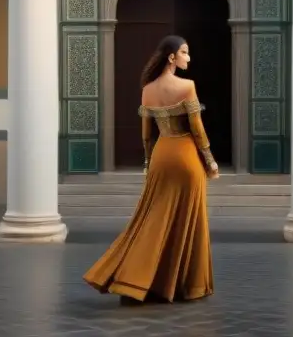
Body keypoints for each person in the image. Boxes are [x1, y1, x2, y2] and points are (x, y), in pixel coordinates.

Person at [84, 35, 218, 304]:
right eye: (184, 52)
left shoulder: (148, 89)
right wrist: (210, 160)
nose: (188, 58)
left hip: (161, 156)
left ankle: (134, 277)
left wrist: (148, 163)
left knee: (151, 217)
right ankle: (186, 286)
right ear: (172, 57)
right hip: (186, 157)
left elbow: (147, 136)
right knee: (188, 220)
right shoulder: (187, 86)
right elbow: (198, 129)